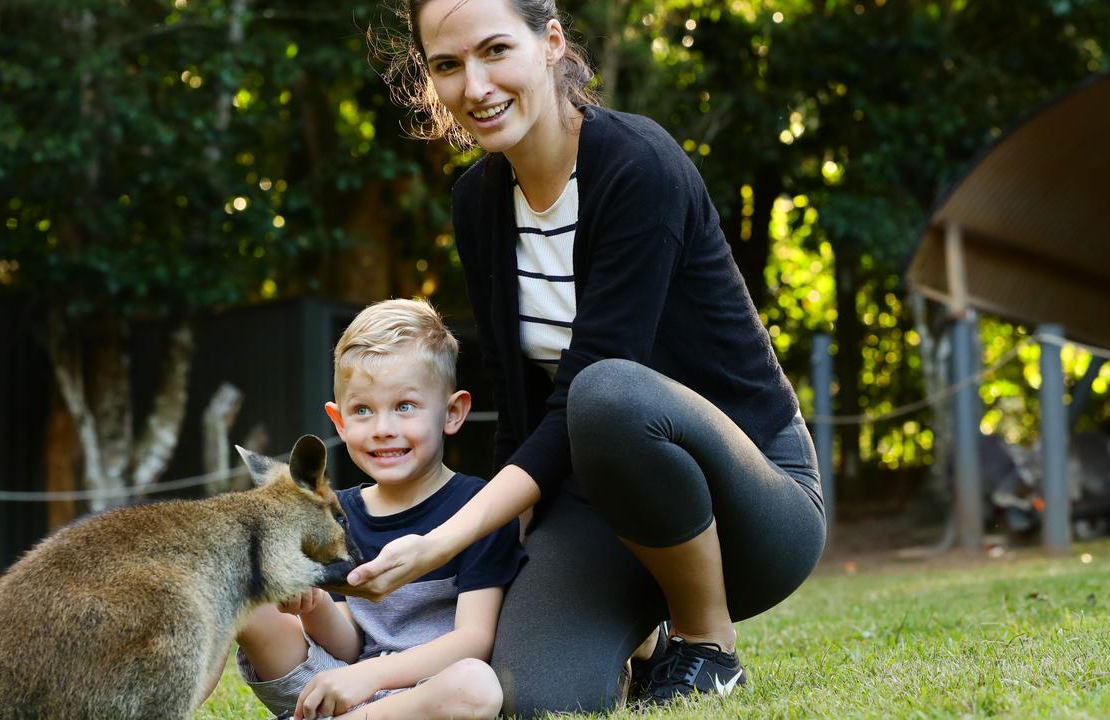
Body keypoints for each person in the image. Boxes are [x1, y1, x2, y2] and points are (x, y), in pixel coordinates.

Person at [349, 0, 827, 715]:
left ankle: (707, 642)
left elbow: (588, 393)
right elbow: (521, 407)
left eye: (495, 51)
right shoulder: (478, 201)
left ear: (550, 43)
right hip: (599, 505)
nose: (474, 86)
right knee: (538, 699)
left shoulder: (638, 165)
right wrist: (500, 567)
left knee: (608, 393)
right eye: (448, 65)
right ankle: (646, 642)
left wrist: (444, 539)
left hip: (753, 512)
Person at [232, 298, 525, 720]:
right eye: (363, 410)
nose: (384, 429)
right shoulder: (338, 514)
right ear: (339, 421)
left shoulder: (477, 509)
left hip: (424, 691)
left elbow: (474, 639)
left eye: (404, 406)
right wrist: (314, 606)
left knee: (475, 686)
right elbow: (350, 643)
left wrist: (371, 678)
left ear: (453, 412)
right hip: (339, 682)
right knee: (244, 591)